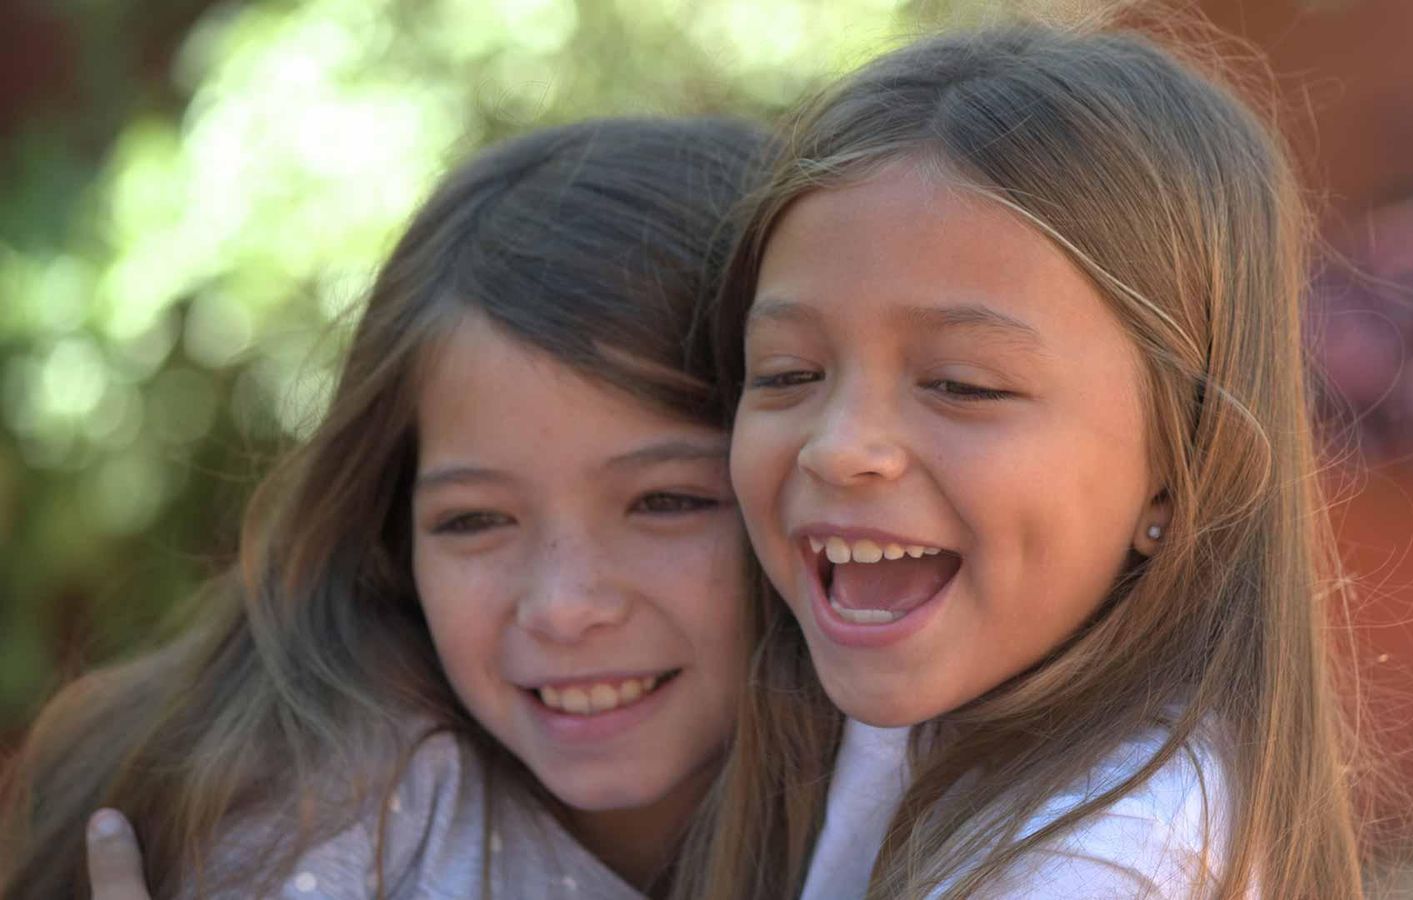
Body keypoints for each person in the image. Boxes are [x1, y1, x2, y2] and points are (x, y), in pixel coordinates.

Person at [1, 117, 839, 899]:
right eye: (474, 519)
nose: (565, 607)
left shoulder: (934, 804)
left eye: (665, 501)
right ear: (392, 534)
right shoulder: (321, 835)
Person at [704, 20, 1364, 899]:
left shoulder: (1099, 870)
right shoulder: (909, 739)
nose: (839, 448)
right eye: (787, 374)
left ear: (1184, 460)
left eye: (963, 385)